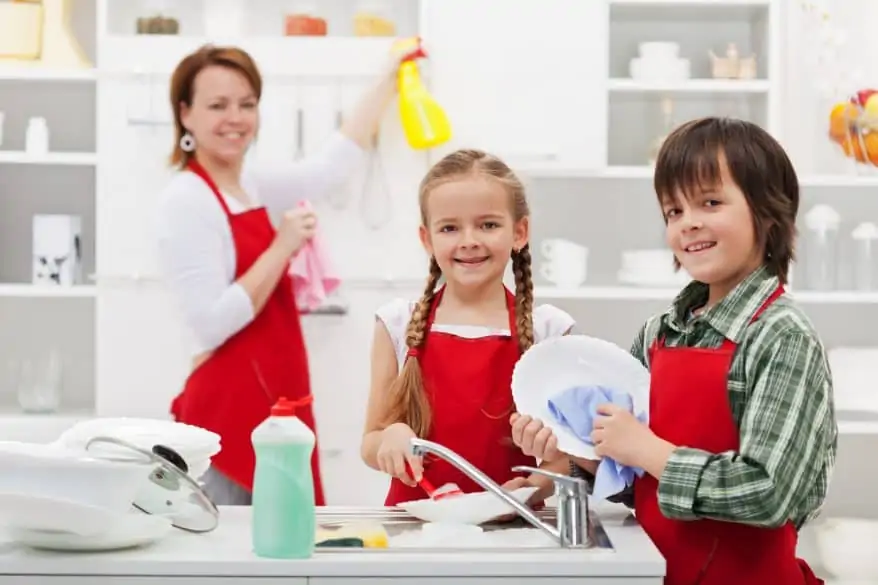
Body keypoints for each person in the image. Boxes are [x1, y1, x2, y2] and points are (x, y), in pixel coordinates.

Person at [510, 118, 837, 585]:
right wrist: (580, 456)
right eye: (673, 211)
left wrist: (649, 450)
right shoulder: (658, 334)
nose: (689, 223)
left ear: (768, 212)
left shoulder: (780, 335)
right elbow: (637, 485)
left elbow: (767, 492)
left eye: (710, 202)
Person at [156, 44, 404, 506]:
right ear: (185, 114)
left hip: (273, 401)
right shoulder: (186, 199)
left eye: (247, 104)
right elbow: (210, 322)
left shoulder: (247, 184)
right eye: (218, 105)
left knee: (284, 548)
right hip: (228, 415)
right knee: (232, 564)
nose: (236, 117)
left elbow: (328, 169)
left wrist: (389, 79)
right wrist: (282, 246)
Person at [360, 148, 577, 506]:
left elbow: (572, 455)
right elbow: (370, 441)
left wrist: (532, 488)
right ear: (427, 240)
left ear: (520, 232)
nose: (469, 240)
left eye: (488, 225)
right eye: (449, 228)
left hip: (514, 534)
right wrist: (391, 438)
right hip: (416, 534)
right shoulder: (396, 323)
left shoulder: (550, 331)